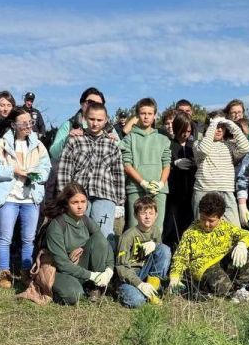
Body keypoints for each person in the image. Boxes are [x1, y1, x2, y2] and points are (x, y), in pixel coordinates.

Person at [0, 108, 51, 289]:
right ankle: (4, 273)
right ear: (14, 125)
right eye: (23, 123)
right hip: (9, 197)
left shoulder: (38, 145)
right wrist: (12, 171)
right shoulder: (0, 145)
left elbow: (46, 168)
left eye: (30, 122)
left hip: (31, 198)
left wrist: (36, 175)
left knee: (28, 239)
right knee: (5, 237)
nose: (28, 126)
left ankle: (26, 272)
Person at [168, 191, 249, 303]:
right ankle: (227, 294)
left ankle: (238, 288)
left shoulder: (226, 228)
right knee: (214, 274)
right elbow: (180, 257)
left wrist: (242, 244)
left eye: (211, 221)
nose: (206, 224)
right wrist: (175, 277)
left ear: (221, 218)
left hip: (223, 265)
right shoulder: (190, 233)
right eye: (203, 219)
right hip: (206, 269)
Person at [56, 102, 124, 247]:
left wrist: (120, 202)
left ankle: (107, 266)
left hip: (105, 194)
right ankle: (81, 266)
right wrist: (64, 195)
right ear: (85, 118)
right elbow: (65, 170)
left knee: (104, 232)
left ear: (106, 120)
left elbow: (118, 174)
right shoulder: (75, 141)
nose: (95, 123)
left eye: (99, 120)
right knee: (79, 232)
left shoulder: (112, 143)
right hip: (79, 195)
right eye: (92, 119)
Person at [42, 183, 114, 304]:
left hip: (80, 267)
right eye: (75, 202)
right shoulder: (57, 226)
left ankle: (95, 288)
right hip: (59, 270)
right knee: (74, 295)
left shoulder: (86, 220)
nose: (80, 206)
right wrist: (92, 276)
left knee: (99, 239)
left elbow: (104, 244)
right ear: (66, 204)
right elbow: (63, 265)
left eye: (83, 201)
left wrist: (109, 270)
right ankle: (68, 289)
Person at [120, 98, 171, 234]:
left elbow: (167, 164)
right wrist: (143, 183)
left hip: (158, 191)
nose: (146, 116)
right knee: (134, 228)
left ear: (154, 115)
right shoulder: (129, 139)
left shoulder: (163, 139)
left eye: (150, 113)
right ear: (137, 115)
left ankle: (154, 255)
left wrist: (161, 184)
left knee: (156, 229)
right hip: (136, 189)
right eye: (143, 113)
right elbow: (127, 165)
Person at [192, 111, 249, 226]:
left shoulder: (229, 145)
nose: (218, 129)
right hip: (204, 191)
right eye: (215, 126)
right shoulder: (198, 144)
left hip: (226, 192)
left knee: (234, 229)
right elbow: (204, 150)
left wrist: (231, 124)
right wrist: (212, 125)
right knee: (204, 230)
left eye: (222, 127)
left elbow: (245, 148)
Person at [115, 196, 171, 308]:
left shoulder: (155, 231)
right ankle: (124, 291)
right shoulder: (127, 236)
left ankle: (153, 288)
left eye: (151, 213)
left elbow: (160, 255)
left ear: (156, 215)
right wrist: (139, 284)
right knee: (138, 301)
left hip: (146, 271)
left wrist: (156, 245)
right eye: (143, 213)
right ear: (135, 215)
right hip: (129, 275)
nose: (147, 217)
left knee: (164, 249)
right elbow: (121, 267)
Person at [48, 87, 120, 161]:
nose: (94, 105)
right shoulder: (69, 125)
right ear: (82, 104)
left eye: (98, 104)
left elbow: (120, 154)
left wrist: (115, 143)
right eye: (90, 102)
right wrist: (67, 139)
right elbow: (54, 154)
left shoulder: (109, 128)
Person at [164, 112, 196, 250]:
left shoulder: (192, 146)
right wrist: (173, 164)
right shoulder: (169, 144)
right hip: (173, 194)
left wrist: (194, 164)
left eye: (188, 131)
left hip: (190, 193)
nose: (185, 134)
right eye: (182, 131)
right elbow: (163, 164)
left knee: (188, 226)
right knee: (171, 226)